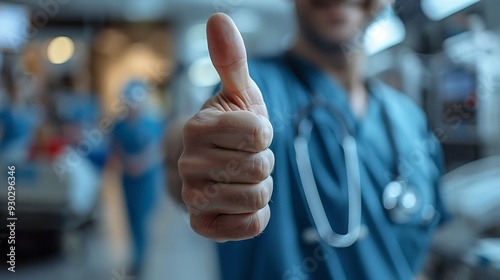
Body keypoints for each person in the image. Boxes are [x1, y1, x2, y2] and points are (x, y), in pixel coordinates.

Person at [168, 1, 447, 279]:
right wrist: (198, 160)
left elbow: (418, 255)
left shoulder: (411, 121)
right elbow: (192, 143)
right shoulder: (257, 92)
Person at [110, 80, 164, 276]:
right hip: (128, 180)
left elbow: (158, 151)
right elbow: (115, 151)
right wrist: (125, 164)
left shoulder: (151, 123)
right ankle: (136, 256)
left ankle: (140, 260)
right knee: (131, 219)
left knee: (142, 220)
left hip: (147, 180)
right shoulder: (119, 125)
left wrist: (140, 164)